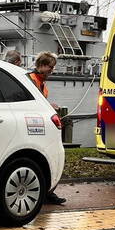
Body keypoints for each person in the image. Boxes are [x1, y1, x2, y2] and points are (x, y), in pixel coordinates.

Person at [28, 51, 67, 205]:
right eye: (50, 68)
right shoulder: (31, 81)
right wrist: (49, 106)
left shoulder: (40, 82)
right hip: (32, 127)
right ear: (42, 66)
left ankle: (47, 191)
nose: (51, 72)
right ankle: (46, 193)